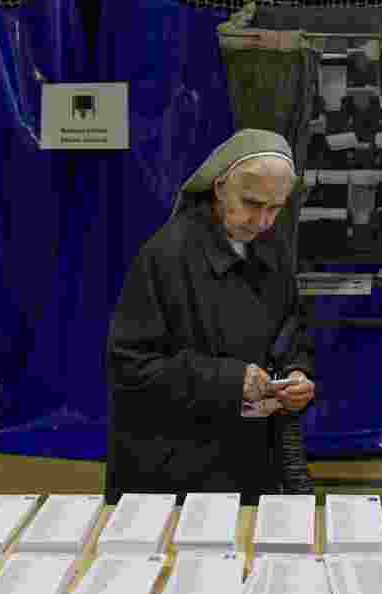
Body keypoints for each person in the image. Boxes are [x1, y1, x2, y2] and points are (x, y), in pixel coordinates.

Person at [105, 129, 316, 506]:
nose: (263, 221)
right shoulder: (165, 257)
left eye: (275, 208)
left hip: (251, 463)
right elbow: (129, 368)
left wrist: (297, 376)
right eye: (252, 203)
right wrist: (231, 380)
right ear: (219, 187)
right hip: (175, 474)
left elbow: (293, 332)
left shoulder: (273, 250)